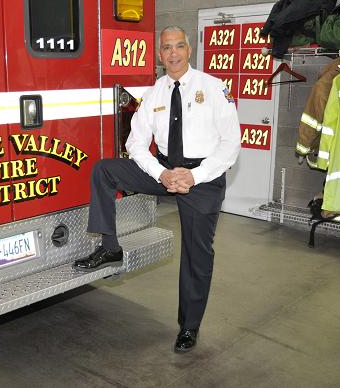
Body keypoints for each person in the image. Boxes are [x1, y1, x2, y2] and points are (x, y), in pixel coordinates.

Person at [73, 25, 241, 353]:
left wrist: (196, 176)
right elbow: (135, 143)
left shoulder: (214, 88)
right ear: (160, 55)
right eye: (167, 48)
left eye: (179, 46)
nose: (173, 53)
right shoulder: (154, 94)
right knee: (104, 170)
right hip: (163, 170)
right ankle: (110, 246)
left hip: (202, 180)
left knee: (197, 254)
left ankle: (189, 327)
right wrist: (161, 173)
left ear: (189, 50)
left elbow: (231, 143)